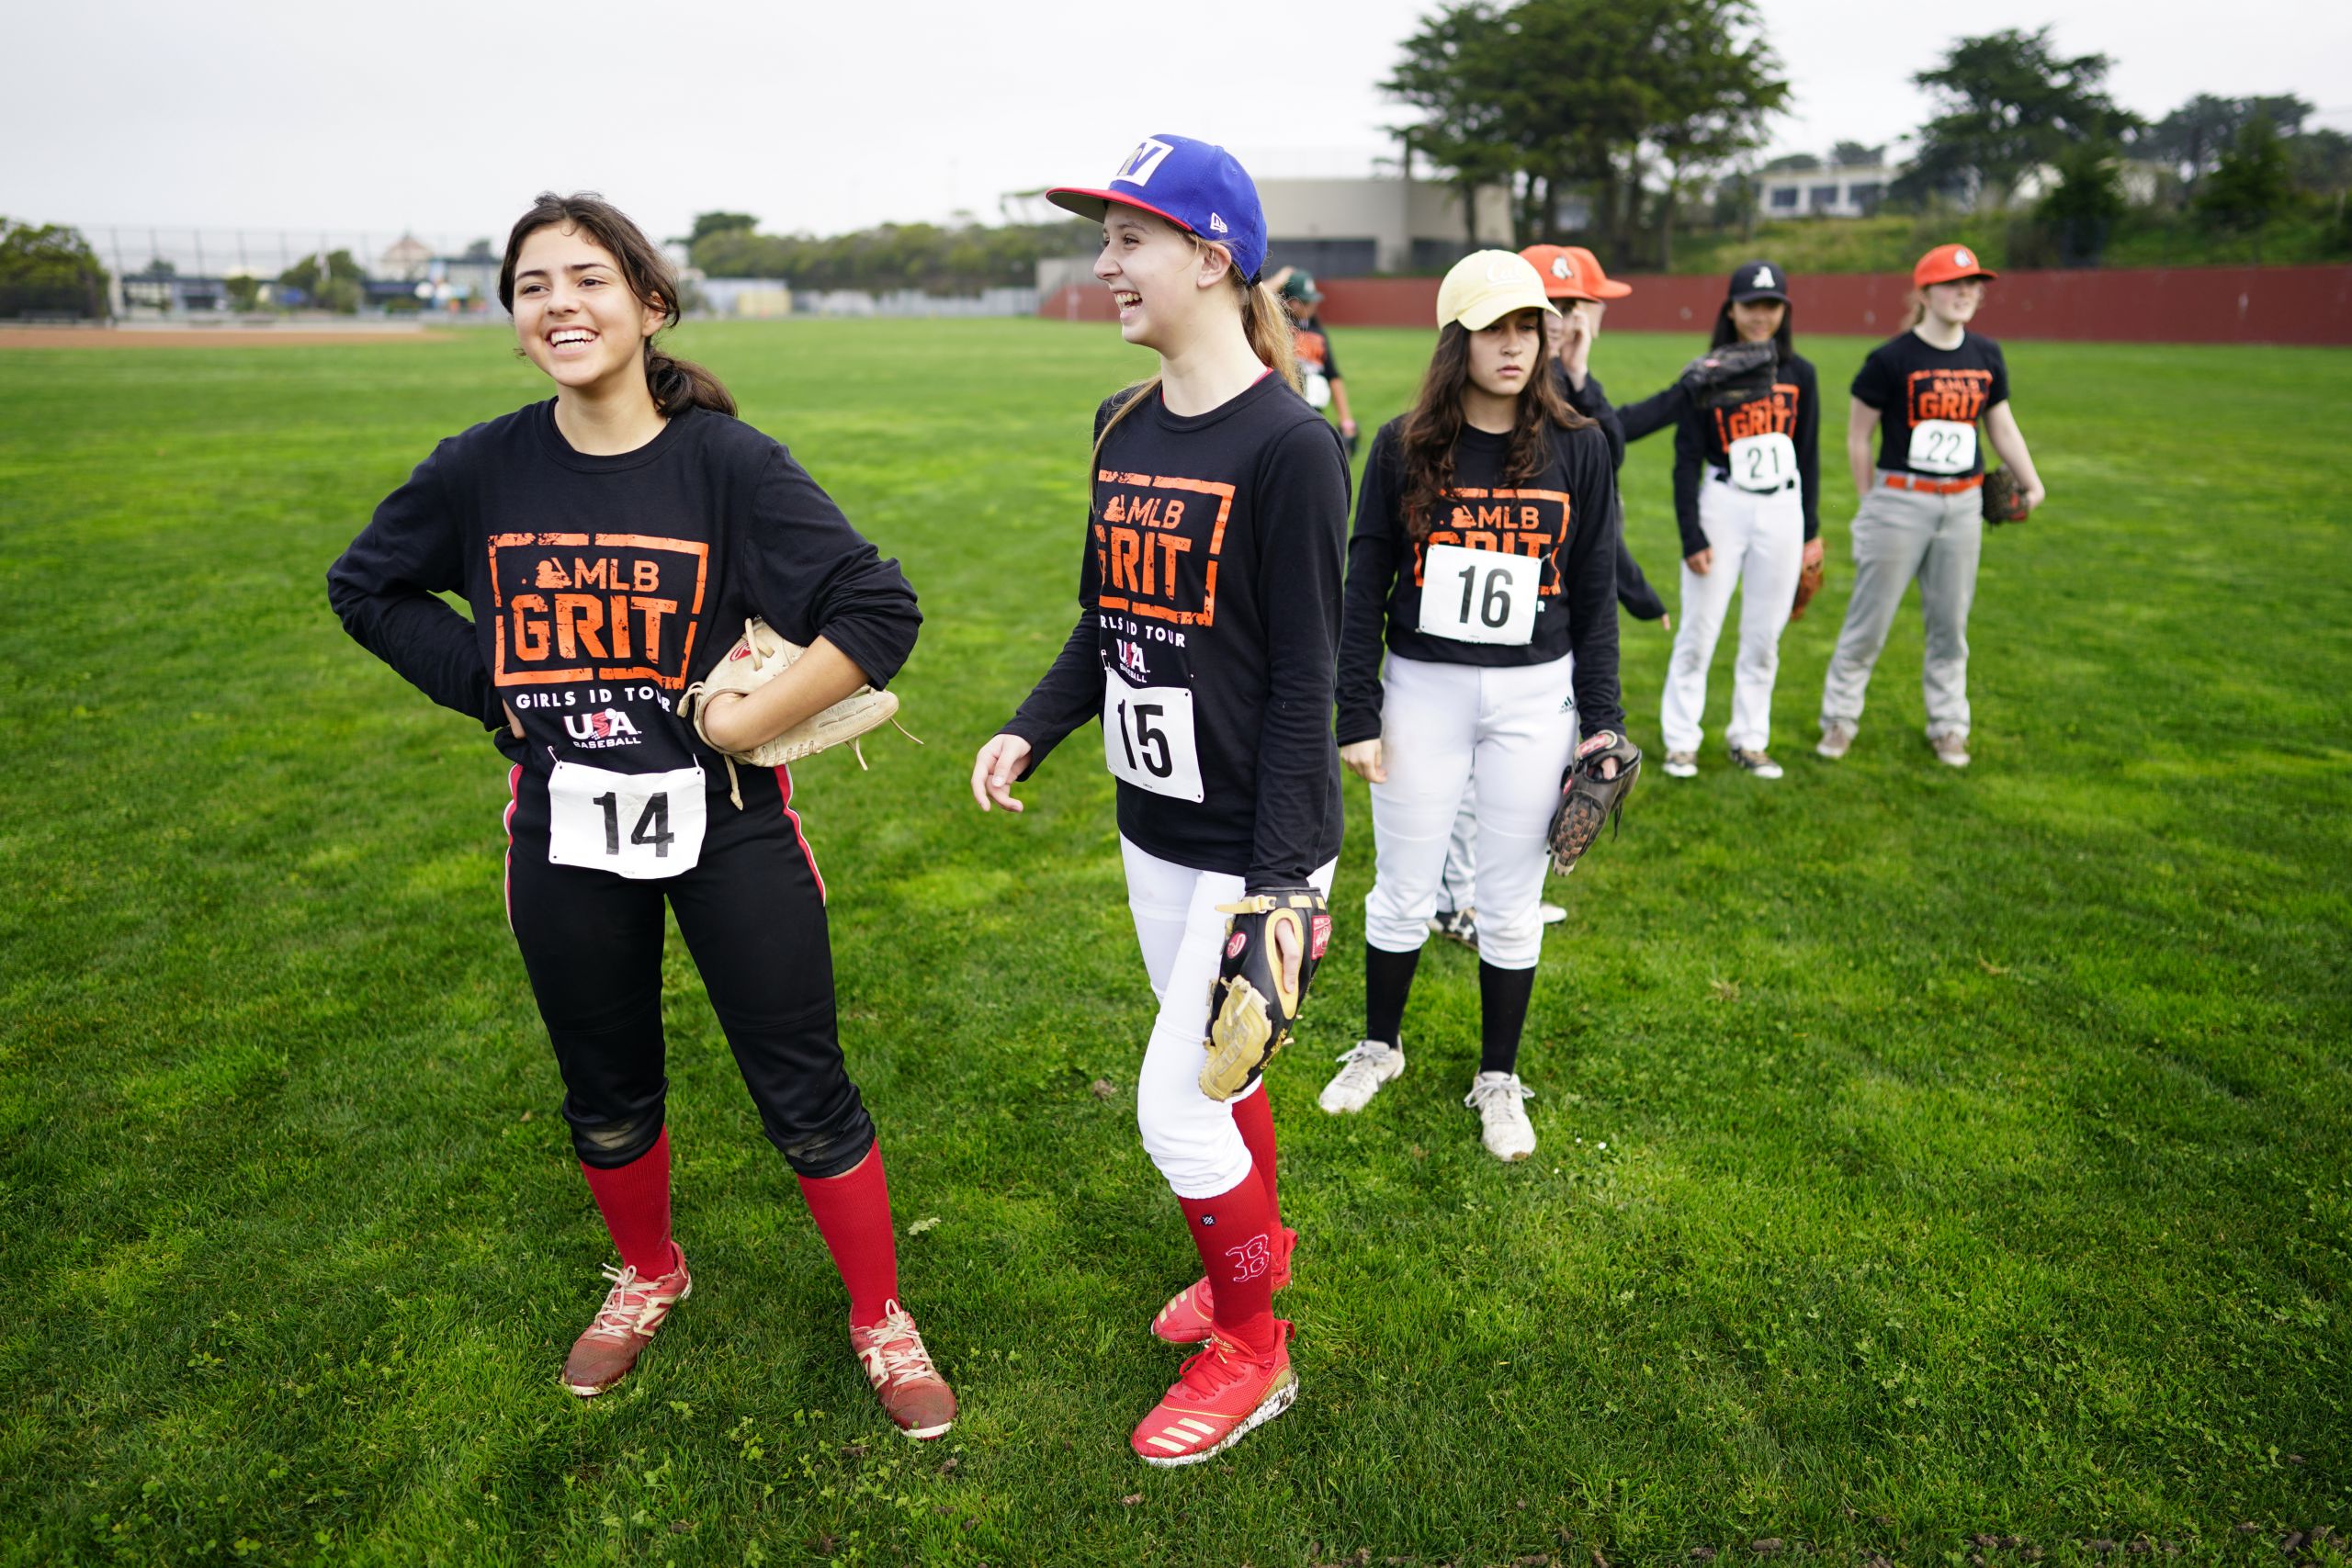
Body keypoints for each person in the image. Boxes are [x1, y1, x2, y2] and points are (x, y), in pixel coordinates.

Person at [326, 192, 956, 1438]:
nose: (559, 304)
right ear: (514, 318)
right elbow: (368, 585)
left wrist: (742, 719)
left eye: (588, 279)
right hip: (564, 829)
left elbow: (878, 608)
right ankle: (648, 1272)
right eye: (533, 286)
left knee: (804, 1088)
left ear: (649, 304)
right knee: (606, 1087)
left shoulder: (727, 465)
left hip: (728, 824)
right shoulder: (482, 467)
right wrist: (492, 684)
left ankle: (880, 1314)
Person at [968, 134, 1350, 1466]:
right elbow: (1108, 618)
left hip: (1255, 844)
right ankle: (1261, 1249)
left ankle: (1254, 1348)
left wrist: (1283, 887)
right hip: (1155, 825)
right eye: (1105, 239)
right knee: (1223, 1075)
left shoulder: (1292, 447)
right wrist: (1032, 725)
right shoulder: (1120, 424)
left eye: (1129, 239)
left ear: (1211, 256)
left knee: (1178, 1106)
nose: (1106, 263)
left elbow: (1306, 679)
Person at [1321, 250, 1626, 1162]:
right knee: (1403, 887)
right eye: (1494, 327)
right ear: (1456, 339)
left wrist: (1602, 720)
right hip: (1424, 689)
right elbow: (1364, 582)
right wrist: (1354, 709)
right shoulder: (1401, 444)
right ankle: (1379, 1046)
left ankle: (1498, 1075)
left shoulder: (1579, 445)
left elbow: (1595, 593)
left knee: (1509, 900)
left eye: (1528, 325)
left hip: (1535, 697)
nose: (1515, 344)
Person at [1423, 244, 1666, 953]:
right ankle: (1457, 899)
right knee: (1472, 775)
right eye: (1572, 306)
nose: (1580, 318)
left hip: (1532, 613)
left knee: (1513, 778)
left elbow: (1605, 461)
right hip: (1475, 607)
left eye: (1582, 308)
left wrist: (1579, 374)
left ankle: (1493, 896)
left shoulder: (1556, 381)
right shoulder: (1504, 378)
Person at [1818, 244, 2046, 767]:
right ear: (1924, 293)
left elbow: (2000, 425)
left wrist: (2032, 482)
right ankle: (1839, 719)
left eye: (1973, 284)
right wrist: (1870, 501)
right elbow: (1859, 436)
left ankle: (1948, 726)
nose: (1966, 292)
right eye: (1952, 284)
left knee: (1950, 625)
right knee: (1868, 622)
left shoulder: (1986, 354)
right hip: (1901, 500)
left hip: (1963, 504)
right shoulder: (1890, 359)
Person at [1645, 261, 1822, 780]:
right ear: (1731, 311)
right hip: (1724, 503)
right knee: (1700, 630)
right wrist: (1691, 534)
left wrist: (1811, 531)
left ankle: (1750, 739)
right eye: (1751, 305)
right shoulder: (1710, 371)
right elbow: (1685, 459)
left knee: (1764, 636)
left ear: (1784, 311)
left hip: (1782, 507)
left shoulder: (1800, 373)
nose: (1761, 315)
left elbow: (1808, 456)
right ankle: (1682, 741)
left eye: (1771, 305)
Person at [1276, 271, 1360, 454]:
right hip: (1283, 414)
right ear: (1289, 301)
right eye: (1305, 302)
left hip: (1313, 413)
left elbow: (1333, 376)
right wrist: (1278, 281)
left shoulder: (1318, 332)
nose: (1312, 305)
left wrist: (1346, 420)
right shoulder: (1274, 328)